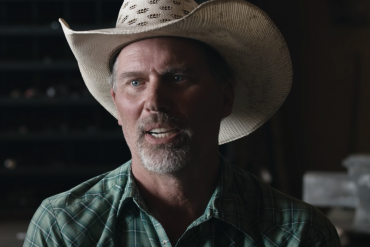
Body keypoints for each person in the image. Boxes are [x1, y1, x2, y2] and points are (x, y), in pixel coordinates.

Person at [24, 0, 341, 246]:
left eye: (177, 77)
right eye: (135, 82)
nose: (155, 102)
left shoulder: (297, 234)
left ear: (224, 97)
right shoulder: (64, 227)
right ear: (116, 106)